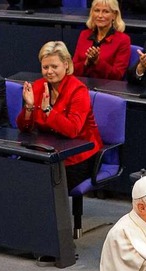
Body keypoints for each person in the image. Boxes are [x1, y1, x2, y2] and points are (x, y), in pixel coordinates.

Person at [17, 41, 103, 192]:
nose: (49, 72)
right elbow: (24, 128)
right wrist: (29, 107)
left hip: (78, 155)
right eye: (45, 67)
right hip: (48, 150)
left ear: (66, 65)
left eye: (54, 67)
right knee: (20, 171)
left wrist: (49, 111)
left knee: (44, 184)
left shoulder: (78, 91)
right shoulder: (38, 86)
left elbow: (72, 130)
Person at [72, 0, 131, 80]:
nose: (100, 15)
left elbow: (118, 75)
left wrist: (97, 62)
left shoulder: (123, 40)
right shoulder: (84, 34)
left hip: (107, 89)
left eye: (105, 12)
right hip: (82, 86)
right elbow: (73, 69)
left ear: (114, 15)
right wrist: (86, 62)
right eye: (97, 10)